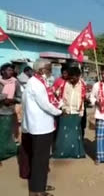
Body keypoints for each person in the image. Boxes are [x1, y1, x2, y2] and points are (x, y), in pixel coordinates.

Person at [21, 60, 62, 196]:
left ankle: (39, 185)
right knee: (40, 160)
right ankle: (37, 191)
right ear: (41, 70)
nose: (50, 72)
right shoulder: (36, 84)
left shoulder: (37, 82)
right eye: (49, 69)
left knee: (40, 159)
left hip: (38, 126)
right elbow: (46, 104)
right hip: (40, 127)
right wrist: (60, 111)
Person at [53, 67, 86, 159]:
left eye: (73, 78)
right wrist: (61, 109)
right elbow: (57, 95)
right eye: (70, 77)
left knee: (75, 134)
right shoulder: (64, 84)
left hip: (77, 112)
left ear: (78, 76)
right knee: (63, 134)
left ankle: (76, 153)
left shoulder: (82, 85)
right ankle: (62, 153)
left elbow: (83, 99)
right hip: (65, 112)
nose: (71, 79)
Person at [0, 63, 21, 166]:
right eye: (8, 70)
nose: (11, 72)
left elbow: (20, 97)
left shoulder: (15, 83)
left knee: (5, 134)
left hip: (7, 112)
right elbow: (2, 96)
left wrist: (12, 100)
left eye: (11, 70)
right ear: (2, 71)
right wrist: (4, 98)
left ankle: (3, 153)